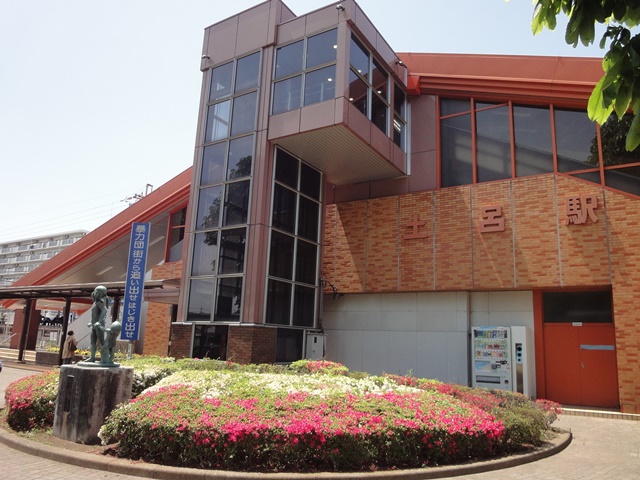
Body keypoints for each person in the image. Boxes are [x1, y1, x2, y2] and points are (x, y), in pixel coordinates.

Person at [87, 285, 109, 363]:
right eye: (96, 292)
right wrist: (91, 322)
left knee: (101, 341)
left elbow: (104, 310)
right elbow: (94, 314)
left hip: (99, 325)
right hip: (94, 325)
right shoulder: (95, 303)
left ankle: (106, 358)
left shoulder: (100, 302)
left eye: (98, 293)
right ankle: (92, 357)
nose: (95, 294)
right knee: (93, 342)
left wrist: (99, 321)